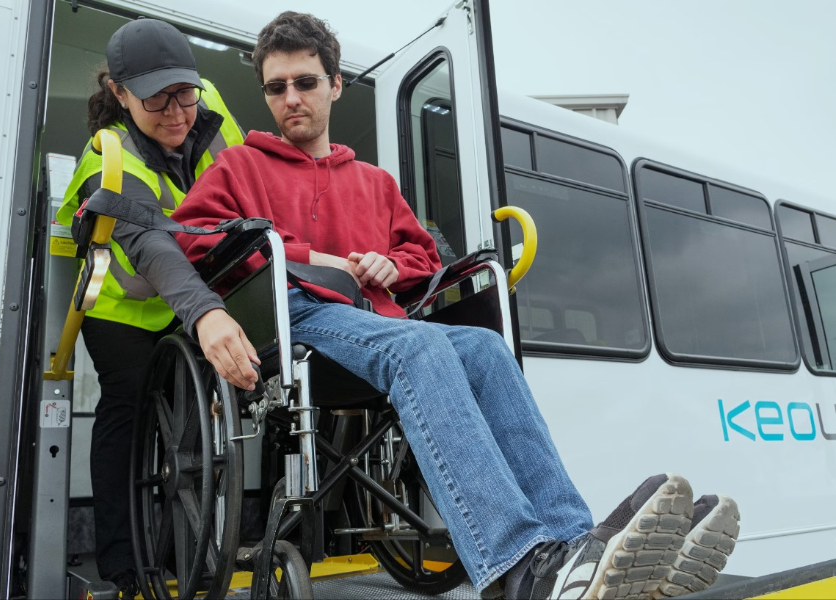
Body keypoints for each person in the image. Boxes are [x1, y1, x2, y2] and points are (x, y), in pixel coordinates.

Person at [172, 12, 741, 600]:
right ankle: (519, 569)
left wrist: (392, 266)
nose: (291, 97)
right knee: (420, 346)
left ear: (335, 84)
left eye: (306, 82)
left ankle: (573, 548)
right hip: (299, 321)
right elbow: (193, 237)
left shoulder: (373, 182)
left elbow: (419, 253)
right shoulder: (240, 166)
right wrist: (313, 255)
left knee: (484, 348)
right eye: (276, 86)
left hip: (373, 323)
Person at [56, 18, 262, 597]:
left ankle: (179, 556)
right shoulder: (109, 158)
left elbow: (249, 187)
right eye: (155, 99)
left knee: (191, 421)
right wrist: (206, 313)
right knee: (127, 411)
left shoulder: (207, 104)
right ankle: (124, 565)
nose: (177, 111)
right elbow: (152, 247)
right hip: (119, 304)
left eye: (184, 92)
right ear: (120, 94)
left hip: (184, 296)